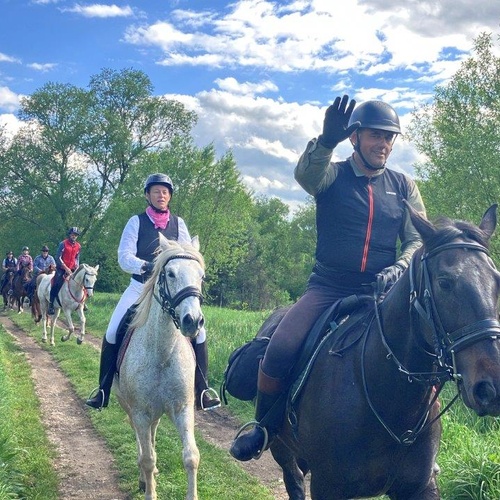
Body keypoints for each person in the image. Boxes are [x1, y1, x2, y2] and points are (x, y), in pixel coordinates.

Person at [230, 95, 427, 461]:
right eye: (375, 135)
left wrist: (400, 267)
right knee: (281, 348)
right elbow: (305, 176)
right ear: (355, 137)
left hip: (384, 291)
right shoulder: (332, 174)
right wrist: (325, 142)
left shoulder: (404, 186)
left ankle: (422, 445)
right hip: (328, 288)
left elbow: (417, 238)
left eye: (389, 137)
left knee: (426, 349)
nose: (383, 144)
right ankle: (264, 428)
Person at [86, 173, 220, 412]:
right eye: (156, 191)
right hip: (140, 287)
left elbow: (187, 254)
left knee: (200, 332)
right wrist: (147, 266)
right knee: (112, 330)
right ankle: (103, 390)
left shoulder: (179, 224)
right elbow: (124, 257)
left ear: (170, 196)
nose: (161, 195)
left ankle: (203, 390)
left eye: (165, 192)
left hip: (171, 292)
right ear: (148, 195)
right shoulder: (135, 222)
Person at [48, 228, 81, 315]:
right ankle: (51, 304)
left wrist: (77, 267)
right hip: (61, 268)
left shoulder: (78, 246)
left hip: (72, 268)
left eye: (76, 235)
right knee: (56, 283)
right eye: (73, 234)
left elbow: (77, 258)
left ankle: (81, 302)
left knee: (81, 282)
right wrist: (65, 267)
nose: (74, 236)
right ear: (69, 234)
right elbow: (58, 257)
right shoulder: (63, 244)